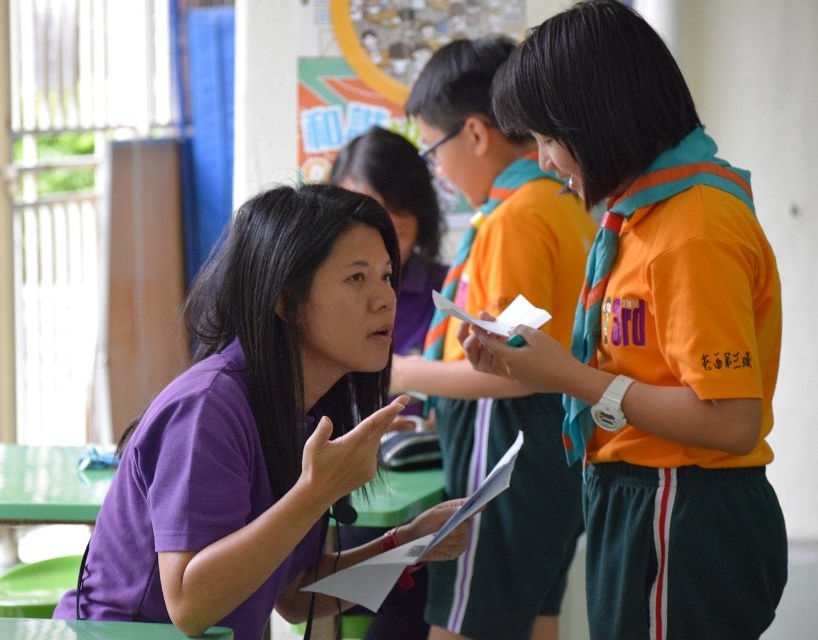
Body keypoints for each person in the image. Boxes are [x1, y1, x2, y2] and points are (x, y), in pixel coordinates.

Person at [459, 2, 787, 639]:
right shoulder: (639, 219)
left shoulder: (691, 228)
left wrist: (568, 377)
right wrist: (532, 363)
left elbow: (731, 422)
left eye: (547, 139)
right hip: (644, 497)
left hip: (682, 506)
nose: (545, 161)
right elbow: (642, 367)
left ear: (594, 120)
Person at [52, 184, 470, 640]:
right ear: (287, 302)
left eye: (387, 275)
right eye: (357, 278)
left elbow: (297, 595)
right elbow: (190, 607)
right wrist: (315, 492)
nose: (385, 298)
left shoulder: (305, 408)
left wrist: (409, 542)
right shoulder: (208, 407)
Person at [393, 35, 597, 640]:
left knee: (460, 621)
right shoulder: (561, 203)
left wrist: (400, 371)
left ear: (476, 134)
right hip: (552, 453)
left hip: (505, 450)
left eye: (434, 148)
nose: (437, 169)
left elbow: (510, 371)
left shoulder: (515, 220)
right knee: (535, 618)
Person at [328, 125, 448, 638]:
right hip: (337, 503)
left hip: (417, 499)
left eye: (393, 226)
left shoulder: (447, 292)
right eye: (357, 218)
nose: (373, 239)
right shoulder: (312, 297)